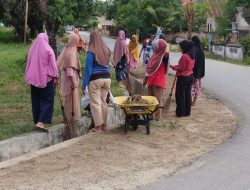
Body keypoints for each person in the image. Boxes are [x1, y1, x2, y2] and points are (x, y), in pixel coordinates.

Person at [25, 33, 58, 132]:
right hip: (46, 79)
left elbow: (28, 63)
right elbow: (53, 65)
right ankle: (41, 122)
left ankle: (37, 120)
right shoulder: (49, 50)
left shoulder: (31, 49)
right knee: (47, 99)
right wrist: (56, 76)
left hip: (33, 79)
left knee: (36, 99)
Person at [82, 30, 111, 132]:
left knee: (95, 103)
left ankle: (98, 127)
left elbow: (88, 68)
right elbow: (109, 65)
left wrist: (84, 83)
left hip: (95, 79)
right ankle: (104, 125)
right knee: (104, 102)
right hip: (107, 78)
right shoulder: (106, 49)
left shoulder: (91, 50)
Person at [57, 33, 81, 136]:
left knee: (68, 100)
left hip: (67, 81)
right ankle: (70, 121)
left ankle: (69, 119)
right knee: (70, 102)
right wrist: (73, 82)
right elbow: (70, 70)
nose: (68, 41)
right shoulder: (71, 52)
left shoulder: (68, 49)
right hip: (70, 82)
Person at [146, 39, 169, 123]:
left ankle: (157, 117)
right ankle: (150, 116)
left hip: (158, 80)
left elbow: (167, 52)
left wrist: (166, 45)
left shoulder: (163, 57)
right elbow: (149, 67)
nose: (154, 47)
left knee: (158, 99)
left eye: (156, 46)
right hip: (151, 78)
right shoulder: (154, 55)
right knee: (150, 99)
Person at [170, 40, 195, 117]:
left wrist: (172, 67)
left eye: (181, 47)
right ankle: (187, 112)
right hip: (190, 76)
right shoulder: (192, 56)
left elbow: (181, 68)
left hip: (183, 77)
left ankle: (180, 113)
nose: (180, 49)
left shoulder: (184, 56)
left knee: (180, 95)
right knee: (187, 94)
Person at [113, 30, 131, 94]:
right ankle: (121, 84)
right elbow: (126, 52)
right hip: (122, 60)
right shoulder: (124, 42)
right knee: (122, 71)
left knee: (118, 71)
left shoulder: (116, 41)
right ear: (123, 35)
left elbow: (115, 51)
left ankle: (118, 83)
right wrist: (128, 60)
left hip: (117, 60)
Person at [191, 36, 205, 106]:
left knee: (192, 86)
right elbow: (202, 63)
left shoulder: (193, 50)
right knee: (196, 87)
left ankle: (191, 100)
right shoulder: (201, 50)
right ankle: (194, 100)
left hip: (193, 72)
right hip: (199, 72)